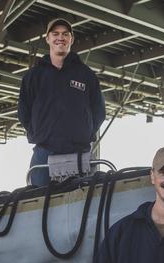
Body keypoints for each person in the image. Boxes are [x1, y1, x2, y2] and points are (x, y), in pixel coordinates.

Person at [17, 17, 106, 187]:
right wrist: (39, 134)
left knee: (85, 206)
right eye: (55, 33)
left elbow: (99, 111)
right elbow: (23, 111)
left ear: (71, 39)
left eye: (65, 34)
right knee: (38, 204)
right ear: (48, 38)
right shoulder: (33, 76)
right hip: (44, 152)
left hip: (79, 152)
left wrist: (84, 133)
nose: (61, 37)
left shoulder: (86, 75)